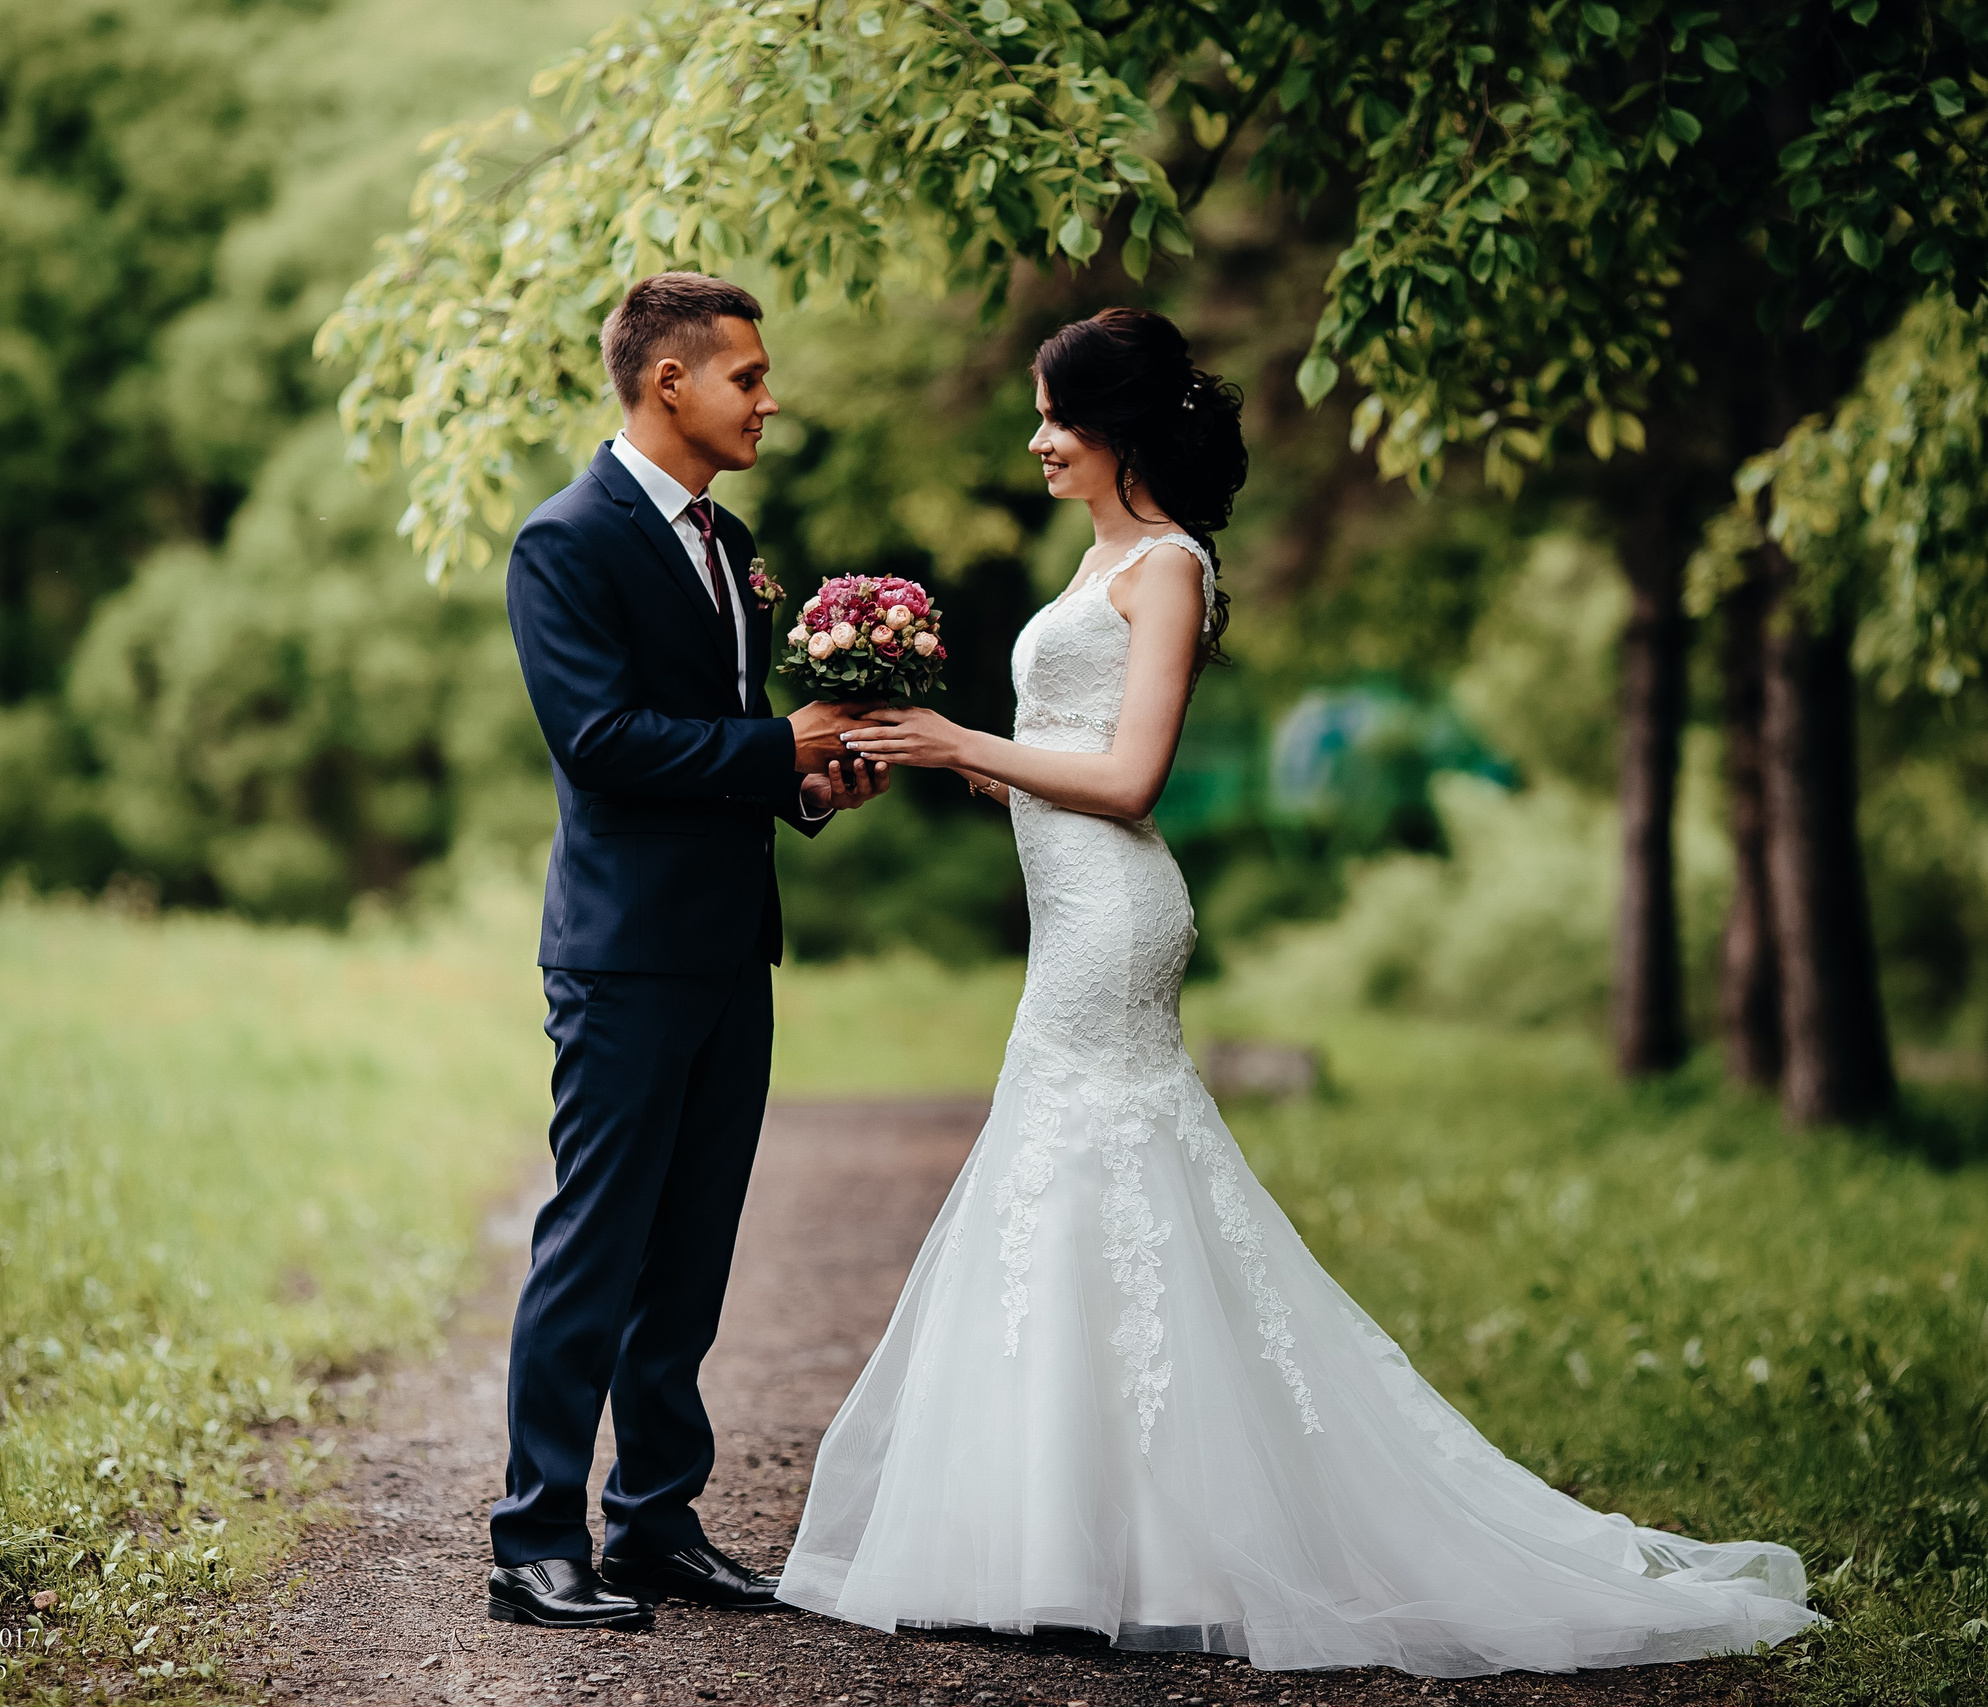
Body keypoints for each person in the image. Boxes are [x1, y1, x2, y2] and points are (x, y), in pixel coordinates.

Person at [779, 307, 1827, 1676]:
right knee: (1077, 1187)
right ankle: (1075, 1542)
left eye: (1056, 417)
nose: (1036, 440)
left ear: (1119, 430)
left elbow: (1130, 781)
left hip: (1116, 920)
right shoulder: (1096, 561)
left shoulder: (1170, 567)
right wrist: (928, 756)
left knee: (1089, 1168)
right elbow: (1059, 762)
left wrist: (962, 737)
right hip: (1066, 911)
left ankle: (1125, 1547)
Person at [489, 272, 886, 1630]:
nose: (769, 400)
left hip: (732, 945)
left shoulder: (735, 541)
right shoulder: (564, 541)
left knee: (693, 1254)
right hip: (624, 956)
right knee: (595, 1246)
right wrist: (780, 743)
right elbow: (599, 745)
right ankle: (534, 1539)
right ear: (670, 381)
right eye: (748, 377)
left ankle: (655, 1523)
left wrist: (807, 785)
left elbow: (726, 741)